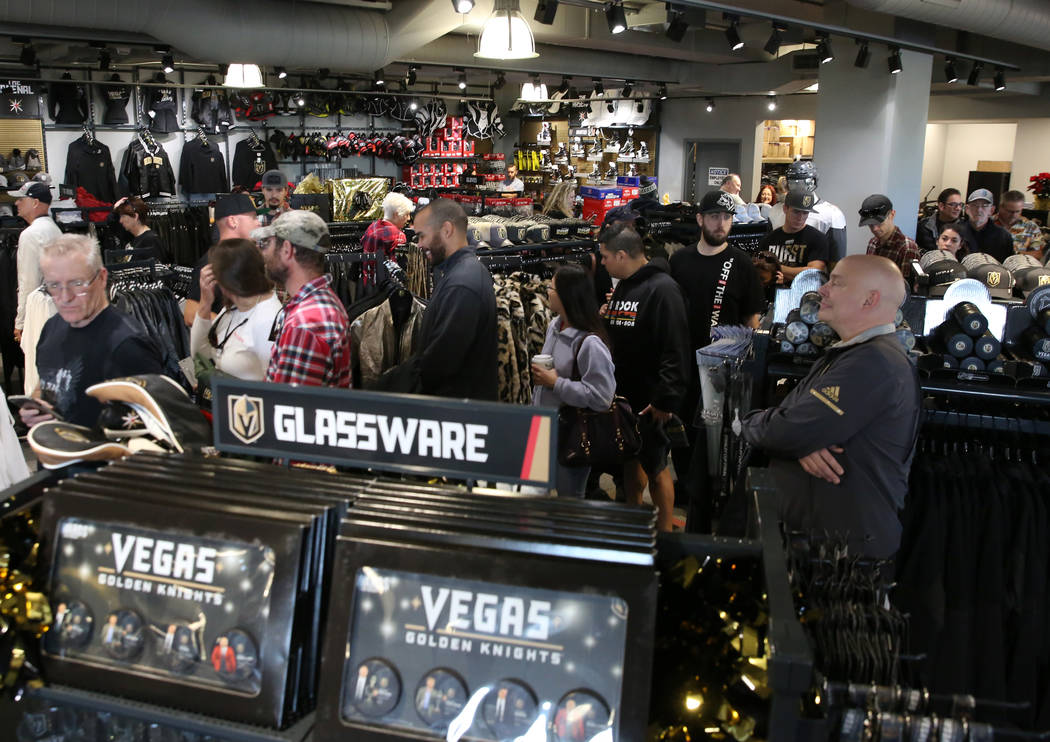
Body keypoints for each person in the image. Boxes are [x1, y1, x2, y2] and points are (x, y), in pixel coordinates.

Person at [738, 255, 921, 559]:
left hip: (841, 558)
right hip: (821, 544)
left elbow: (787, 431)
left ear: (869, 299)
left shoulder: (872, 364)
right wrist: (799, 438)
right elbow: (793, 426)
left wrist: (764, 427)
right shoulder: (849, 354)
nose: (823, 290)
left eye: (836, 282)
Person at [600, 221, 690, 532]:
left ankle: (664, 535)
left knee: (657, 468)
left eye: (605, 257)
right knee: (629, 463)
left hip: (652, 401)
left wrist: (665, 400)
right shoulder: (626, 286)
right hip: (625, 398)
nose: (602, 263)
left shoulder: (663, 290)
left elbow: (675, 349)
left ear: (622, 255)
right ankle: (631, 524)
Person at [21, 234, 164, 429]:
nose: (65, 297)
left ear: (102, 278)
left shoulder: (128, 344)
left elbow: (157, 424)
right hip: (57, 456)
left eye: (77, 283)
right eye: (54, 285)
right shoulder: (51, 328)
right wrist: (36, 407)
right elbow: (47, 383)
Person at [531, 264, 616, 497]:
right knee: (532, 496)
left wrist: (555, 383)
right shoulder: (553, 326)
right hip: (541, 429)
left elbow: (602, 397)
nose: (548, 292)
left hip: (570, 435)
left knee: (569, 504)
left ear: (567, 295)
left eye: (552, 288)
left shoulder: (590, 344)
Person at [254, 210, 351, 387]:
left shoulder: (306, 323)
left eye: (268, 245)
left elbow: (286, 407)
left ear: (286, 250)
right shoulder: (318, 304)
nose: (264, 254)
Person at [414, 198, 498, 400]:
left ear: (446, 230)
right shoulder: (460, 274)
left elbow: (440, 364)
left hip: (459, 414)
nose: (418, 245)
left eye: (421, 236)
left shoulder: (462, 284)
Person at [190, 239, 282, 382]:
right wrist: (205, 303)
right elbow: (199, 355)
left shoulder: (268, 319)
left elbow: (273, 389)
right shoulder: (233, 309)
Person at [183, 193, 260, 326]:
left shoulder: (243, 257)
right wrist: (232, 328)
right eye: (253, 217)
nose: (258, 223)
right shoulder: (211, 262)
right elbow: (190, 314)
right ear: (233, 221)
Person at [12, 180, 60, 343]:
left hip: (40, 313)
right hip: (57, 309)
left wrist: (21, 322)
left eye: (21, 199)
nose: (17, 203)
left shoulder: (30, 235)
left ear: (35, 203)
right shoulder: (54, 229)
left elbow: (29, 283)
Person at [757, 189, 830, 285]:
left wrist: (775, 267)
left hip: (802, 295)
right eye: (796, 212)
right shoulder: (769, 239)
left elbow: (812, 273)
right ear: (785, 209)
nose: (800, 217)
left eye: (805, 213)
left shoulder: (817, 239)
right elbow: (759, 271)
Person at [783, 160, 847, 263]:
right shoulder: (775, 211)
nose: (796, 187)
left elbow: (837, 257)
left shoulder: (832, 214)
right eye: (792, 182)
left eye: (800, 182)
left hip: (814, 272)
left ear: (812, 182)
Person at [859, 194, 921, 282]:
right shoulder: (872, 243)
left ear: (892, 214)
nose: (874, 229)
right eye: (870, 224)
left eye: (879, 223)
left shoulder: (907, 248)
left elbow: (905, 290)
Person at [361, 192, 412, 286]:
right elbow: (399, 269)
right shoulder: (398, 235)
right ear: (396, 214)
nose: (408, 218)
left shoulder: (371, 227)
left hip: (367, 284)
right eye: (407, 214)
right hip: (387, 288)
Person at [963, 188, 1013, 263]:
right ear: (967, 209)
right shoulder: (957, 232)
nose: (979, 209)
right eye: (974, 205)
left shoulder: (1003, 236)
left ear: (992, 210)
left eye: (984, 206)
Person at [113, 196, 168, 262]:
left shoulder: (150, 240)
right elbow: (113, 226)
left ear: (135, 216)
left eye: (123, 216)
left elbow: (158, 270)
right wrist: (114, 209)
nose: (120, 220)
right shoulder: (133, 237)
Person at [995, 189, 1045, 259]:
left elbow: (1038, 254)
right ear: (1001, 207)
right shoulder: (988, 223)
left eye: (1017, 211)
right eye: (1010, 211)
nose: (1014, 215)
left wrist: (1015, 253)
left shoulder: (1031, 227)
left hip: (1018, 265)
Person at [916, 188, 965, 253]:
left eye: (960, 205)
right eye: (953, 204)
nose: (958, 208)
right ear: (941, 206)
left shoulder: (964, 227)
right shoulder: (923, 226)